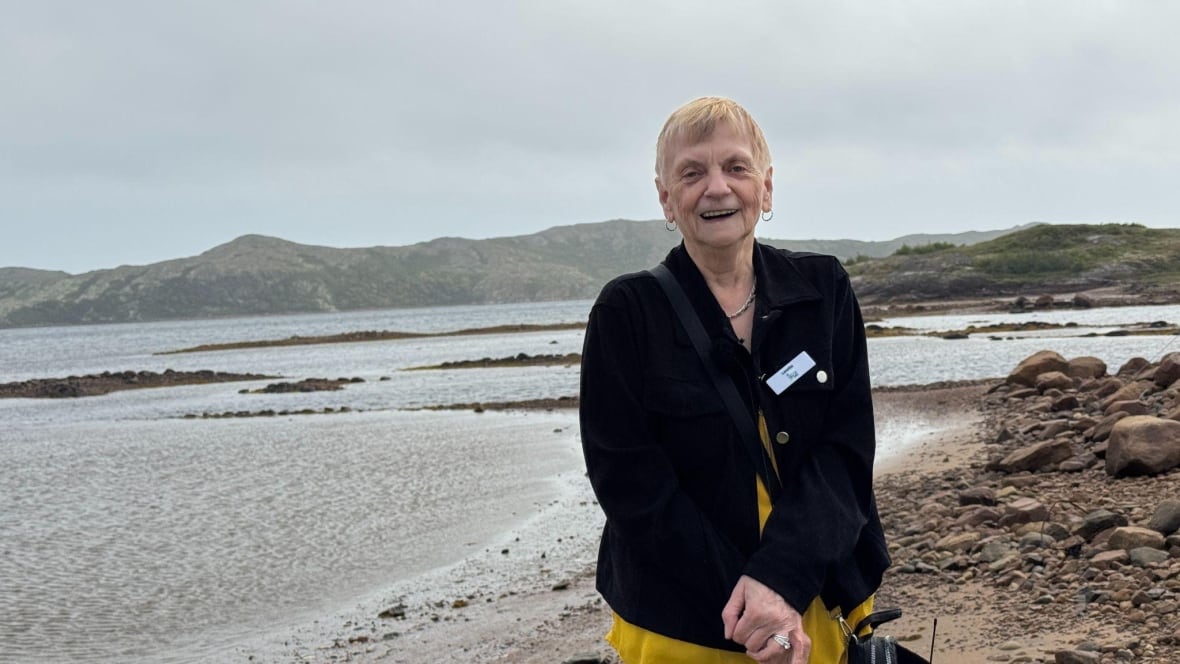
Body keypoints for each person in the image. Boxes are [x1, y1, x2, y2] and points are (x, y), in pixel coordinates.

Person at [579, 97, 890, 664]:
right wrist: (756, 609)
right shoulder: (626, 312)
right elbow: (629, 482)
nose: (716, 188)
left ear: (765, 188)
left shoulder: (823, 289)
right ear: (666, 198)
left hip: (820, 598)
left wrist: (782, 582)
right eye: (691, 173)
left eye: (736, 167)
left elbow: (845, 454)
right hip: (687, 625)